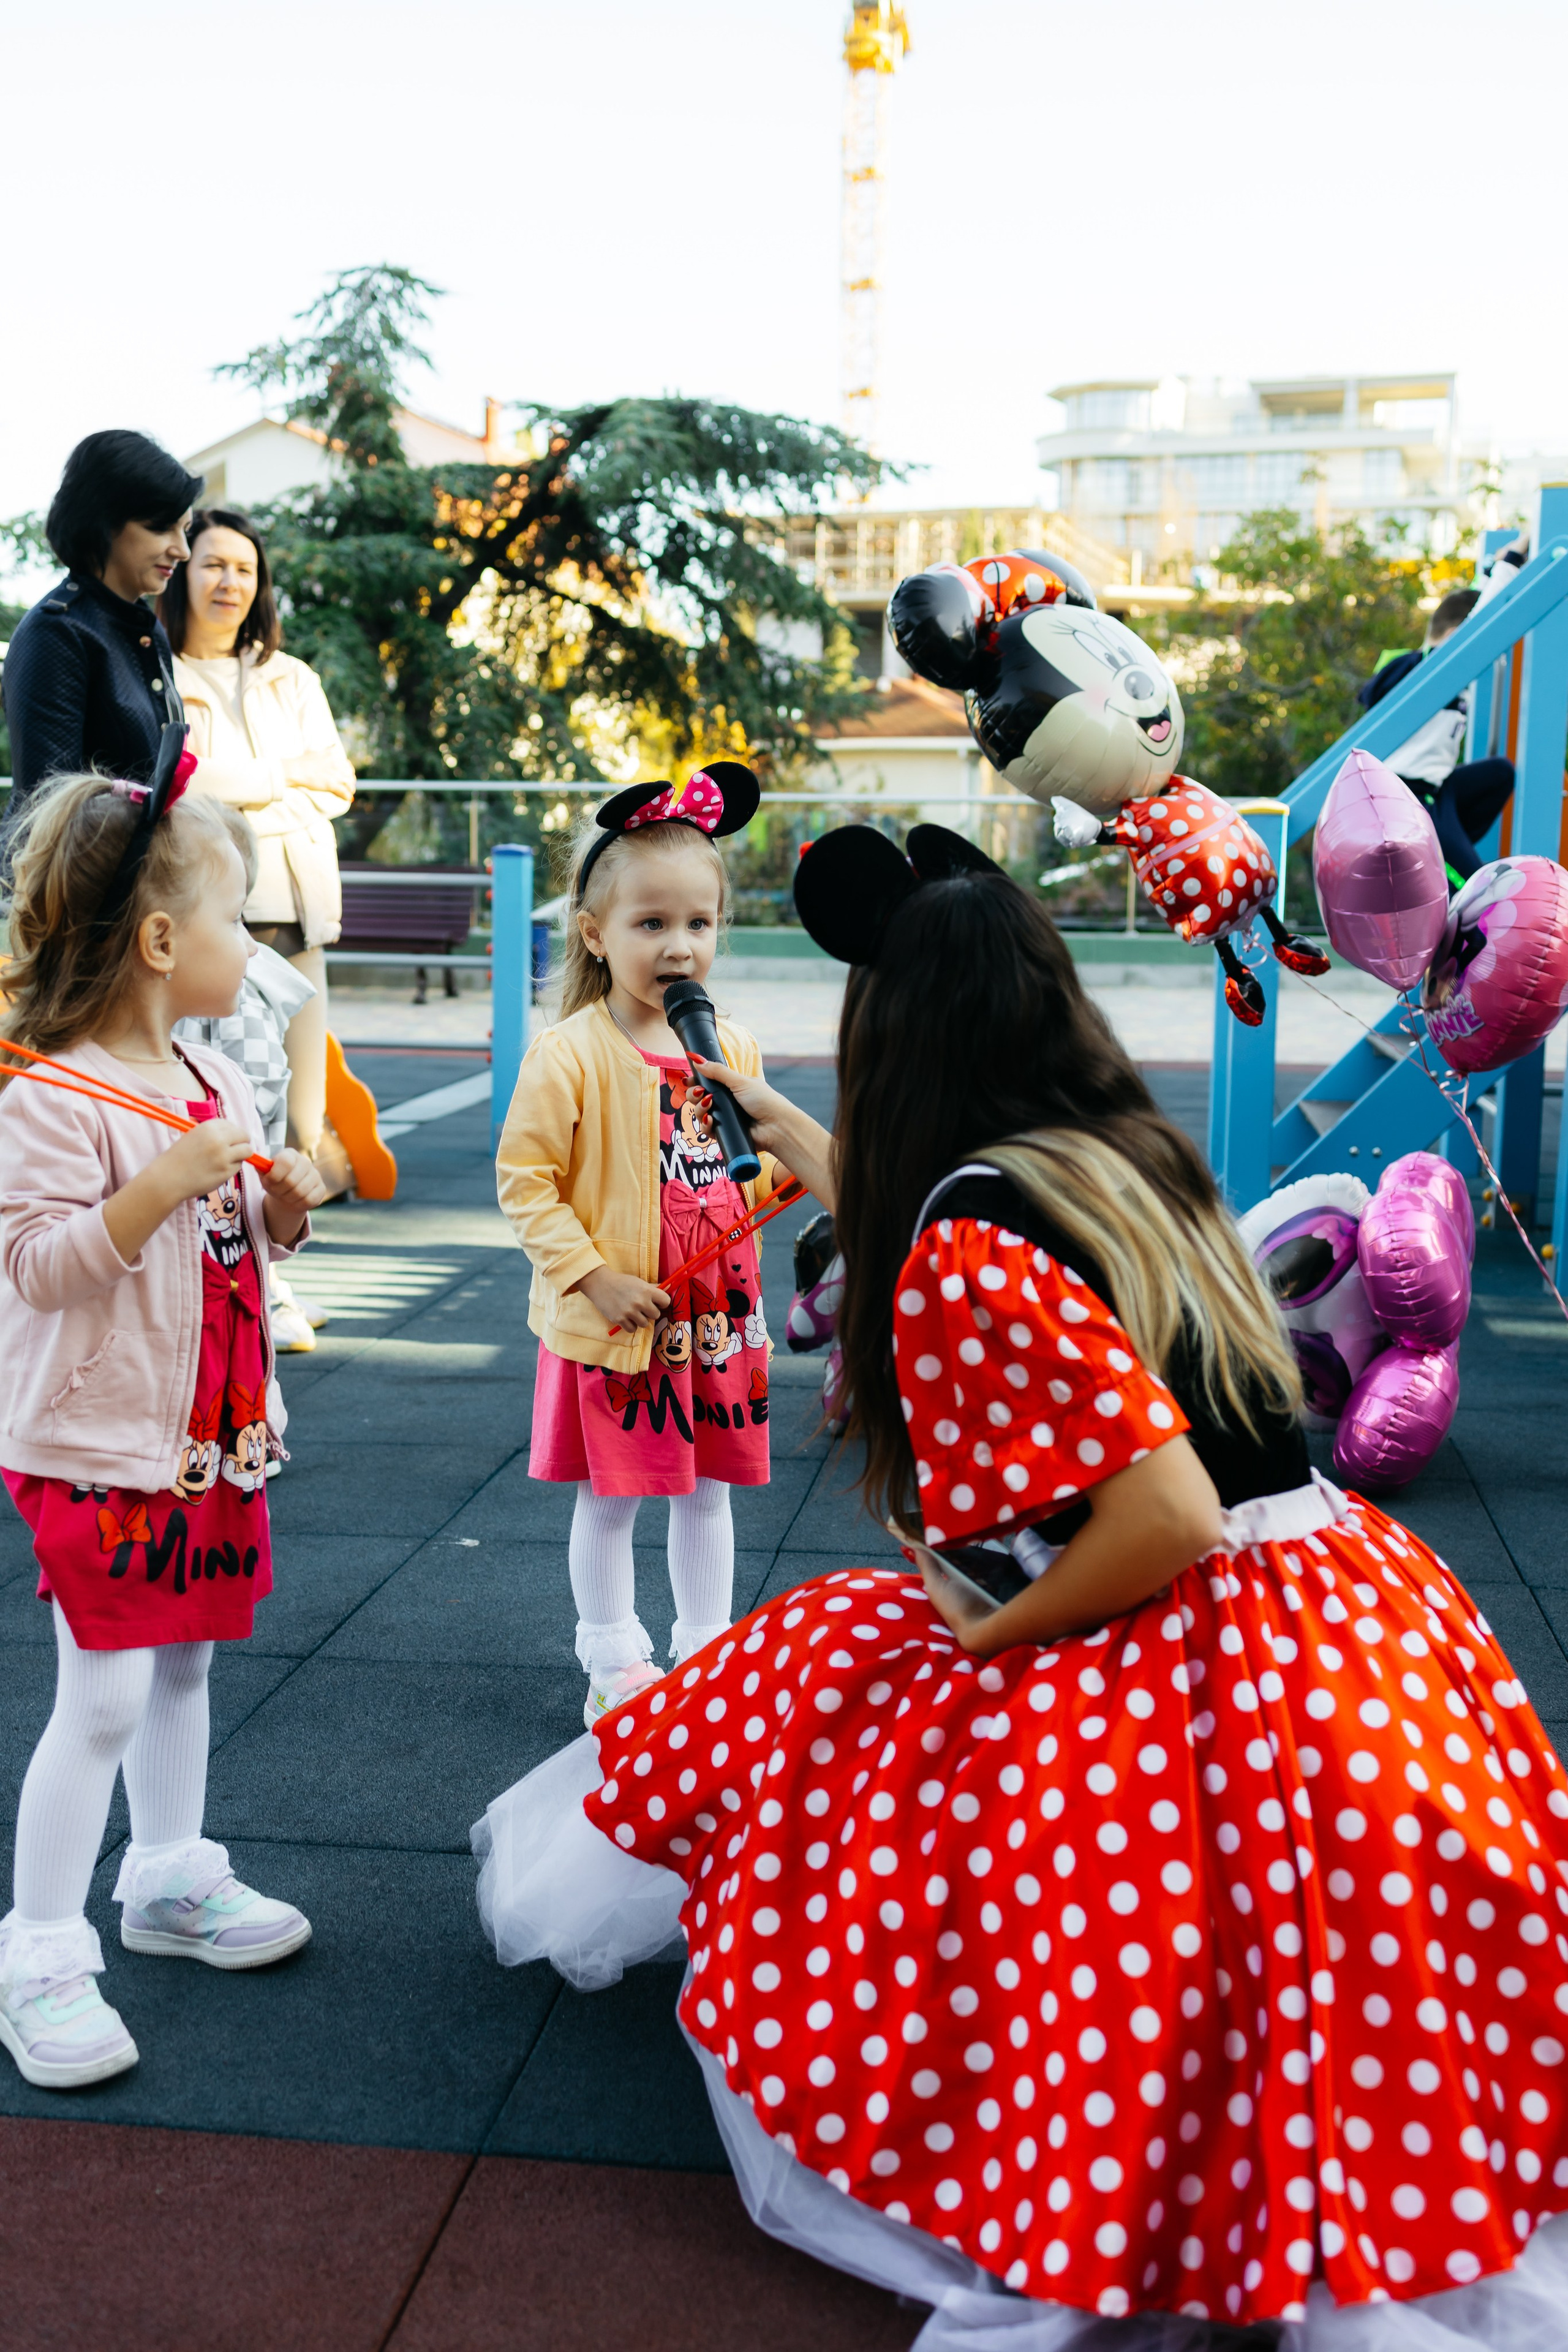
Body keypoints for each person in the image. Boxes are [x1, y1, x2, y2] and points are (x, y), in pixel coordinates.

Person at [474, 824, 1568, 2345]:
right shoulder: (1123, 1156)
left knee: (856, 1696)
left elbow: (1161, 1512)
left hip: (1187, 1617)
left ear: (896, 1030)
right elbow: (984, 1261)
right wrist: (792, 1133)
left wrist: (994, 1624)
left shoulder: (969, 1241)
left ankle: (997, 2118)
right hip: (1334, 1598)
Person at [0, 764, 326, 2092]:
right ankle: (37, 1954)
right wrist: (157, 1190)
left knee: (185, 1666)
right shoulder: (52, 1095)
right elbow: (37, 1268)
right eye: (236, 917)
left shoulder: (212, 1078)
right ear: (156, 941)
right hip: (102, 1446)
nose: (251, 942)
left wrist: (282, 1206)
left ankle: (168, 1876)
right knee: (104, 1697)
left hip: (209, 1437)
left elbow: (235, 1243)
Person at [495, 764, 783, 1728]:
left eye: (699, 923)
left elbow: (746, 1175)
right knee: (616, 1497)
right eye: (651, 923)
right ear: (596, 934)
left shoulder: (731, 1047)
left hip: (715, 1324)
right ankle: (613, 1658)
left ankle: (707, 1652)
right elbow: (526, 1182)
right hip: (623, 1326)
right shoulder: (571, 1053)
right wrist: (592, 1277)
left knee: (708, 1493)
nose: (679, 946)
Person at [159, 507, 355, 1344]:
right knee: (235, 1099)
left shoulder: (291, 677)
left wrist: (240, 793)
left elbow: (336, 783)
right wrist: (282, 779)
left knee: (301, 1112)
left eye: (245, 568)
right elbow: (183, 787)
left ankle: (274, 1276)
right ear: (182, 573)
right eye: (213, 564)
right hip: (217, 921)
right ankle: (248, 1285)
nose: (230, 582)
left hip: (296, 913)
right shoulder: (160, 671)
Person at [1, 431, 201, 827]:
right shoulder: (56, 633)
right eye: (163, 528)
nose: (183, 550)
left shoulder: (145, 629)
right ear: (104, 521)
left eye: (186, 529)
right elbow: (50, 815)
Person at [1360, 537, 1528, 886]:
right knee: (1473, 885)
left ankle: (1449, 840)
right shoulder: (1424, 671)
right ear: (1455, 637)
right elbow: (1481, 624)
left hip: (1440, 789)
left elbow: (1473, 611)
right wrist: (1513, 557)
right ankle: (1443, 855)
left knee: (1499, 773)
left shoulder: (1437, 673)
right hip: (1408, 795)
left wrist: (1489, 573)